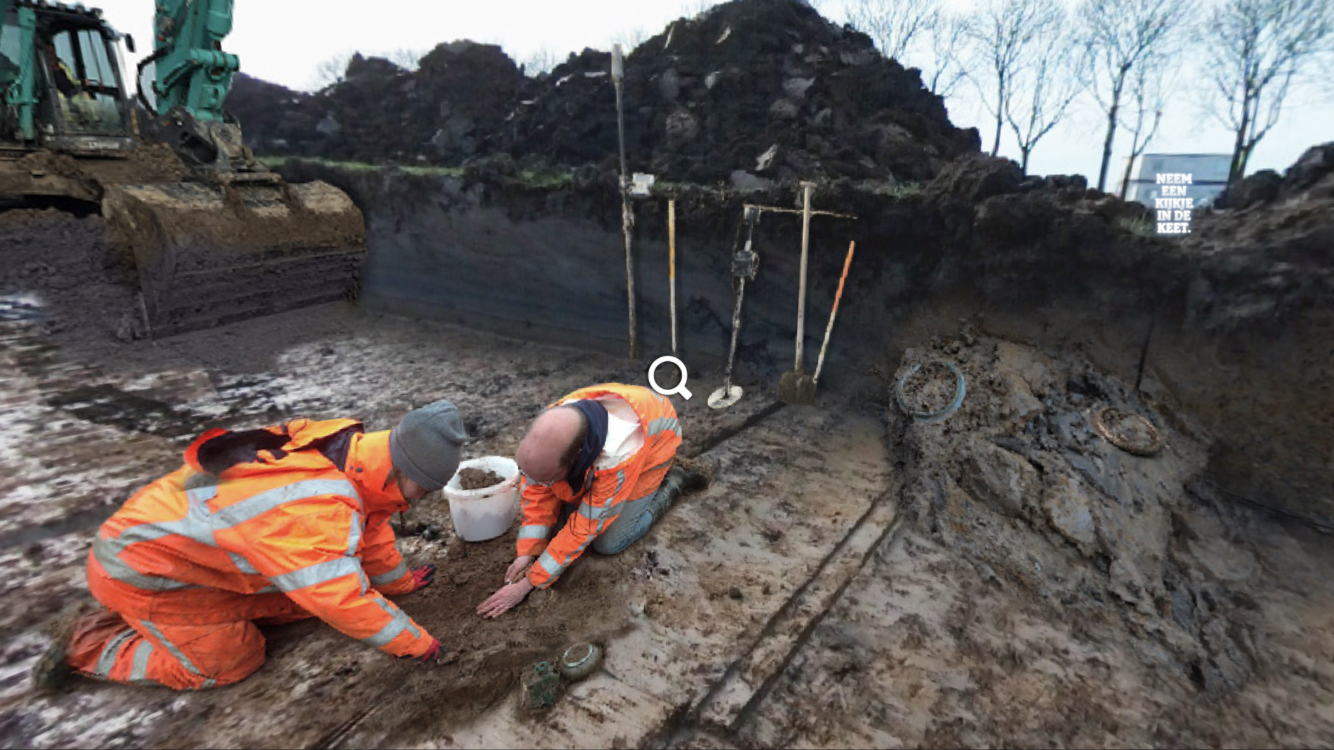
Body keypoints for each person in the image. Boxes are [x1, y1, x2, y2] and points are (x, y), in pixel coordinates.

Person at [32, 400, 469, 692]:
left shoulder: (352, 453)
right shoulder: (316, 509)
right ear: (402, 469)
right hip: (142, 572)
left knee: (295, 604)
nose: (422, 498)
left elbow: (370, 527)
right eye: (423, 488)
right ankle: (87, 644)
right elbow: (339, 598)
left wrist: (401, 582)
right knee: (233, 661)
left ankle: (158, 622)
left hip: (193, 553)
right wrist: (417, 643)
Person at [477, 384, 707, 619]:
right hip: (616, 432)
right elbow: (536, 490)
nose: (535, 482)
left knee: (609, 542)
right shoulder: (550, 430)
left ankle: (674, 480)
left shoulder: (618, 457)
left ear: (577, 456)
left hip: (656, 441)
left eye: (546, 477)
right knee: (558, 514)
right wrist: (527, 551)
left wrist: (528, 583)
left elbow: (585, 527)